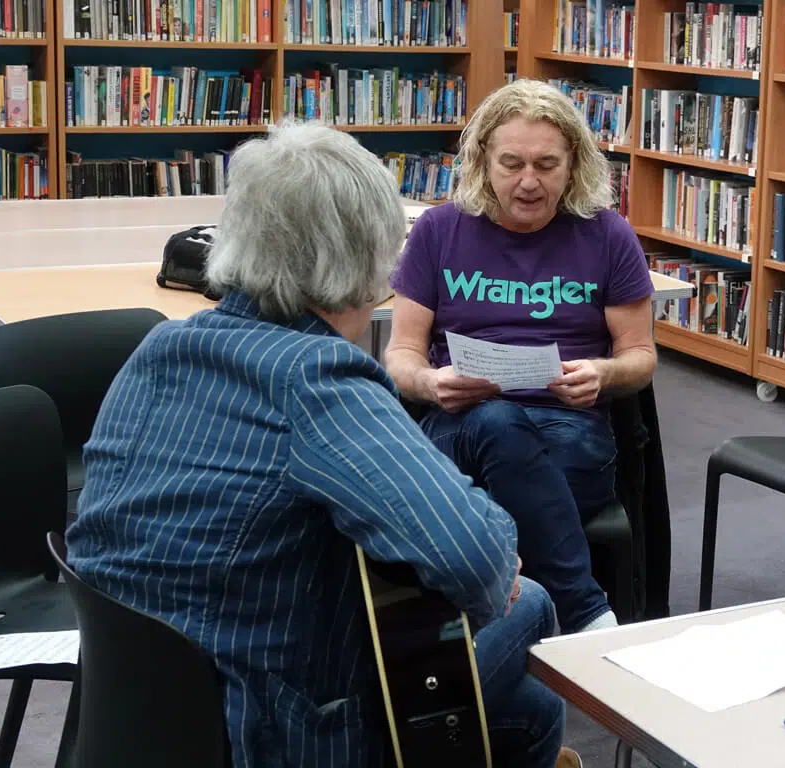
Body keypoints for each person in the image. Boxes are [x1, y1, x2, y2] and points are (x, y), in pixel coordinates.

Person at [67, 123, 573, 768]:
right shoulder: (318, 379)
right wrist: (496, 546)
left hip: (134, 707)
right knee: (529, 604)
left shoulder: (161, 345)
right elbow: (473, 561)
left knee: (529, 713)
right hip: (261, 729)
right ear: (364, 260)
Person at [385, 79, 656, 635]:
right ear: (483, 161)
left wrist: (603, 374)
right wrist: (431, 382)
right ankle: (584, 611)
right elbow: (401, 354)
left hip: (568, 426)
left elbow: (641, 356)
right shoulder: (439, 230)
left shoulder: (607, 235)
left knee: (502, 474)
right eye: (511, 163)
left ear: (573, 165)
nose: (528, 182)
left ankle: (483, 615)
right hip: (459, 421)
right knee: (495, 420)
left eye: (546, 165)